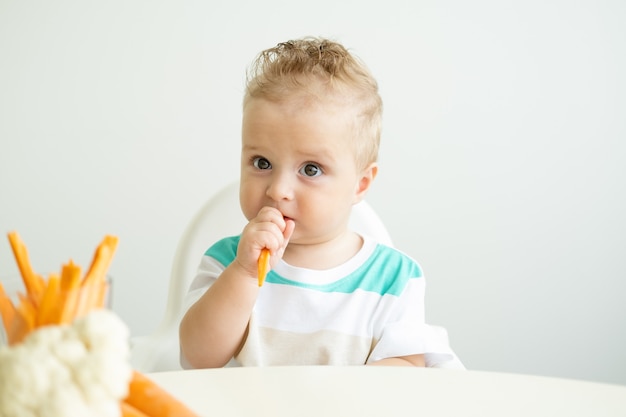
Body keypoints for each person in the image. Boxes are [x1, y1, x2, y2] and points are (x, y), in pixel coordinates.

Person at [179, 37, 453, 368]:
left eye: (311, 169)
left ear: (360, 184)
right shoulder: (227, 262)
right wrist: (245, 275)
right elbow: (198, 359)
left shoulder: (394, 279)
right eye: (262, 162)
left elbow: (406, 370)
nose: (278, 189)